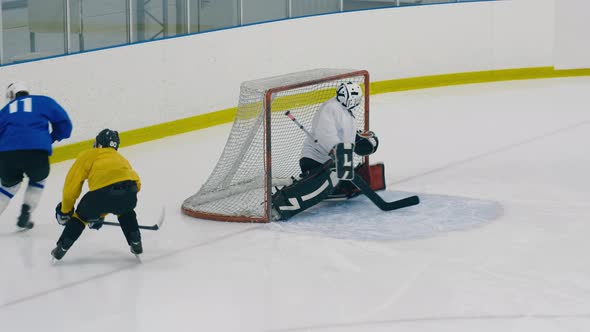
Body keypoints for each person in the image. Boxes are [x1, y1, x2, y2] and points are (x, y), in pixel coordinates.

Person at [271, 82, 379, 221]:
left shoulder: (346, 113)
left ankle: (335, 188)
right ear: (350, 98)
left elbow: (346, 141)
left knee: (342, 179)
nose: (358, 101)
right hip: (313, 160)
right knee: (332, 177)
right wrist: (335, 148)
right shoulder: (330, 108)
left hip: (328, 162)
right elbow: (325, 133)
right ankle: (281, 204)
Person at [52, 129, 143, 261]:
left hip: (101, 196)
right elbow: (136, 184)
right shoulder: (121, 158)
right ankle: (135, 241)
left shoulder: (89, 155)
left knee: (81, 217)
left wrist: (66, 210)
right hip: (130, 192)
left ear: (99, 143)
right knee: (126, 212)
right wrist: (100, 214)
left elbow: (71, 186)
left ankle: (62, 247)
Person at [0, 81, 73, 230]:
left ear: (12, 95)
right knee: (38, 179)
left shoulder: (5, 110)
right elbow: (65, 124)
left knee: (8, 188)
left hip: (8, 155)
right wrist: (50, 138)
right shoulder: (43, 101)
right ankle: (27, 210)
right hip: (37, 153)